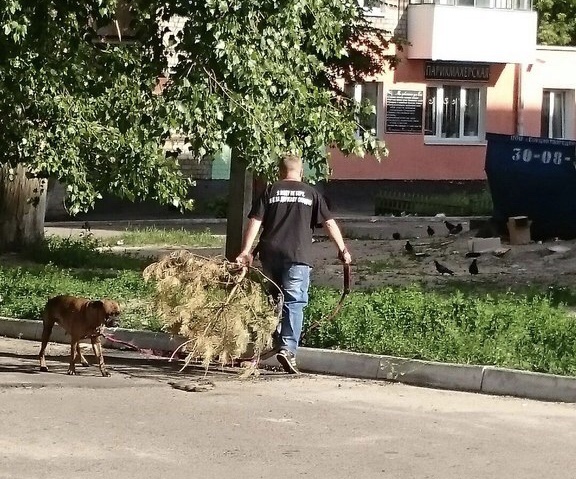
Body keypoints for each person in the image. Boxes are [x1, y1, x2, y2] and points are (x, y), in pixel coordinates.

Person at [235, 154, 352, 374]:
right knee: (294, 301)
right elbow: (329, 222)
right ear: (301, 172)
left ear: (280, 171)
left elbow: (255, 222)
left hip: (270, 254)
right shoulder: (311, 193)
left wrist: (245, 252)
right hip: (297, 255)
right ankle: (287, 349)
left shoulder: (271, 191)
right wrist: (342, 249)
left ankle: (269, 342)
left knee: (273, 300)